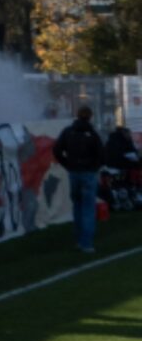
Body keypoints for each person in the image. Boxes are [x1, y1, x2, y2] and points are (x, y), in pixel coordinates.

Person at [54, 100, 106, 255]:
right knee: (88, 209)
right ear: (90, 117)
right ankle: (87, 243)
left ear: (77, 116)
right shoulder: (93, 134)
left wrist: (68, 164)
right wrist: (94, 168)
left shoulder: (68, 132)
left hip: (74, 173)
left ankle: (78, 240)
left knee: (77, 206)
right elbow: (102, 155)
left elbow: (57, 150)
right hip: (88, 174)